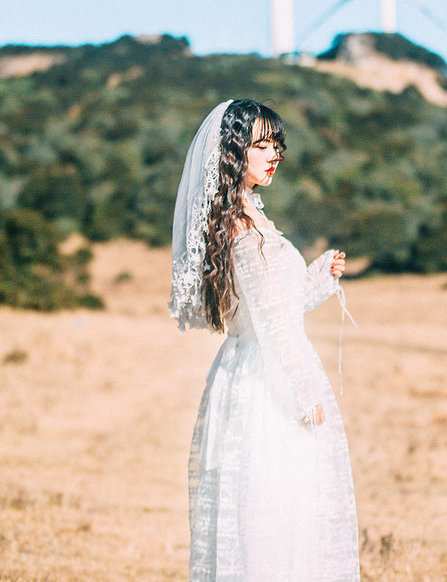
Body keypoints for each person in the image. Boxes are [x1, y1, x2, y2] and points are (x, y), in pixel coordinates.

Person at [169, 99, 360, 581]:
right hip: (267, 384)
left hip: (254, 369)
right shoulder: (243, 229)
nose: (273, 153)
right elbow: (273, 327)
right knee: (273, 518)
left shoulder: (247, 218)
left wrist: (316, 279)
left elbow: (273, 309)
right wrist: (303, 394)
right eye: (259, 144)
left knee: (276, 514)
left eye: (275, 143)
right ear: (234, 153)